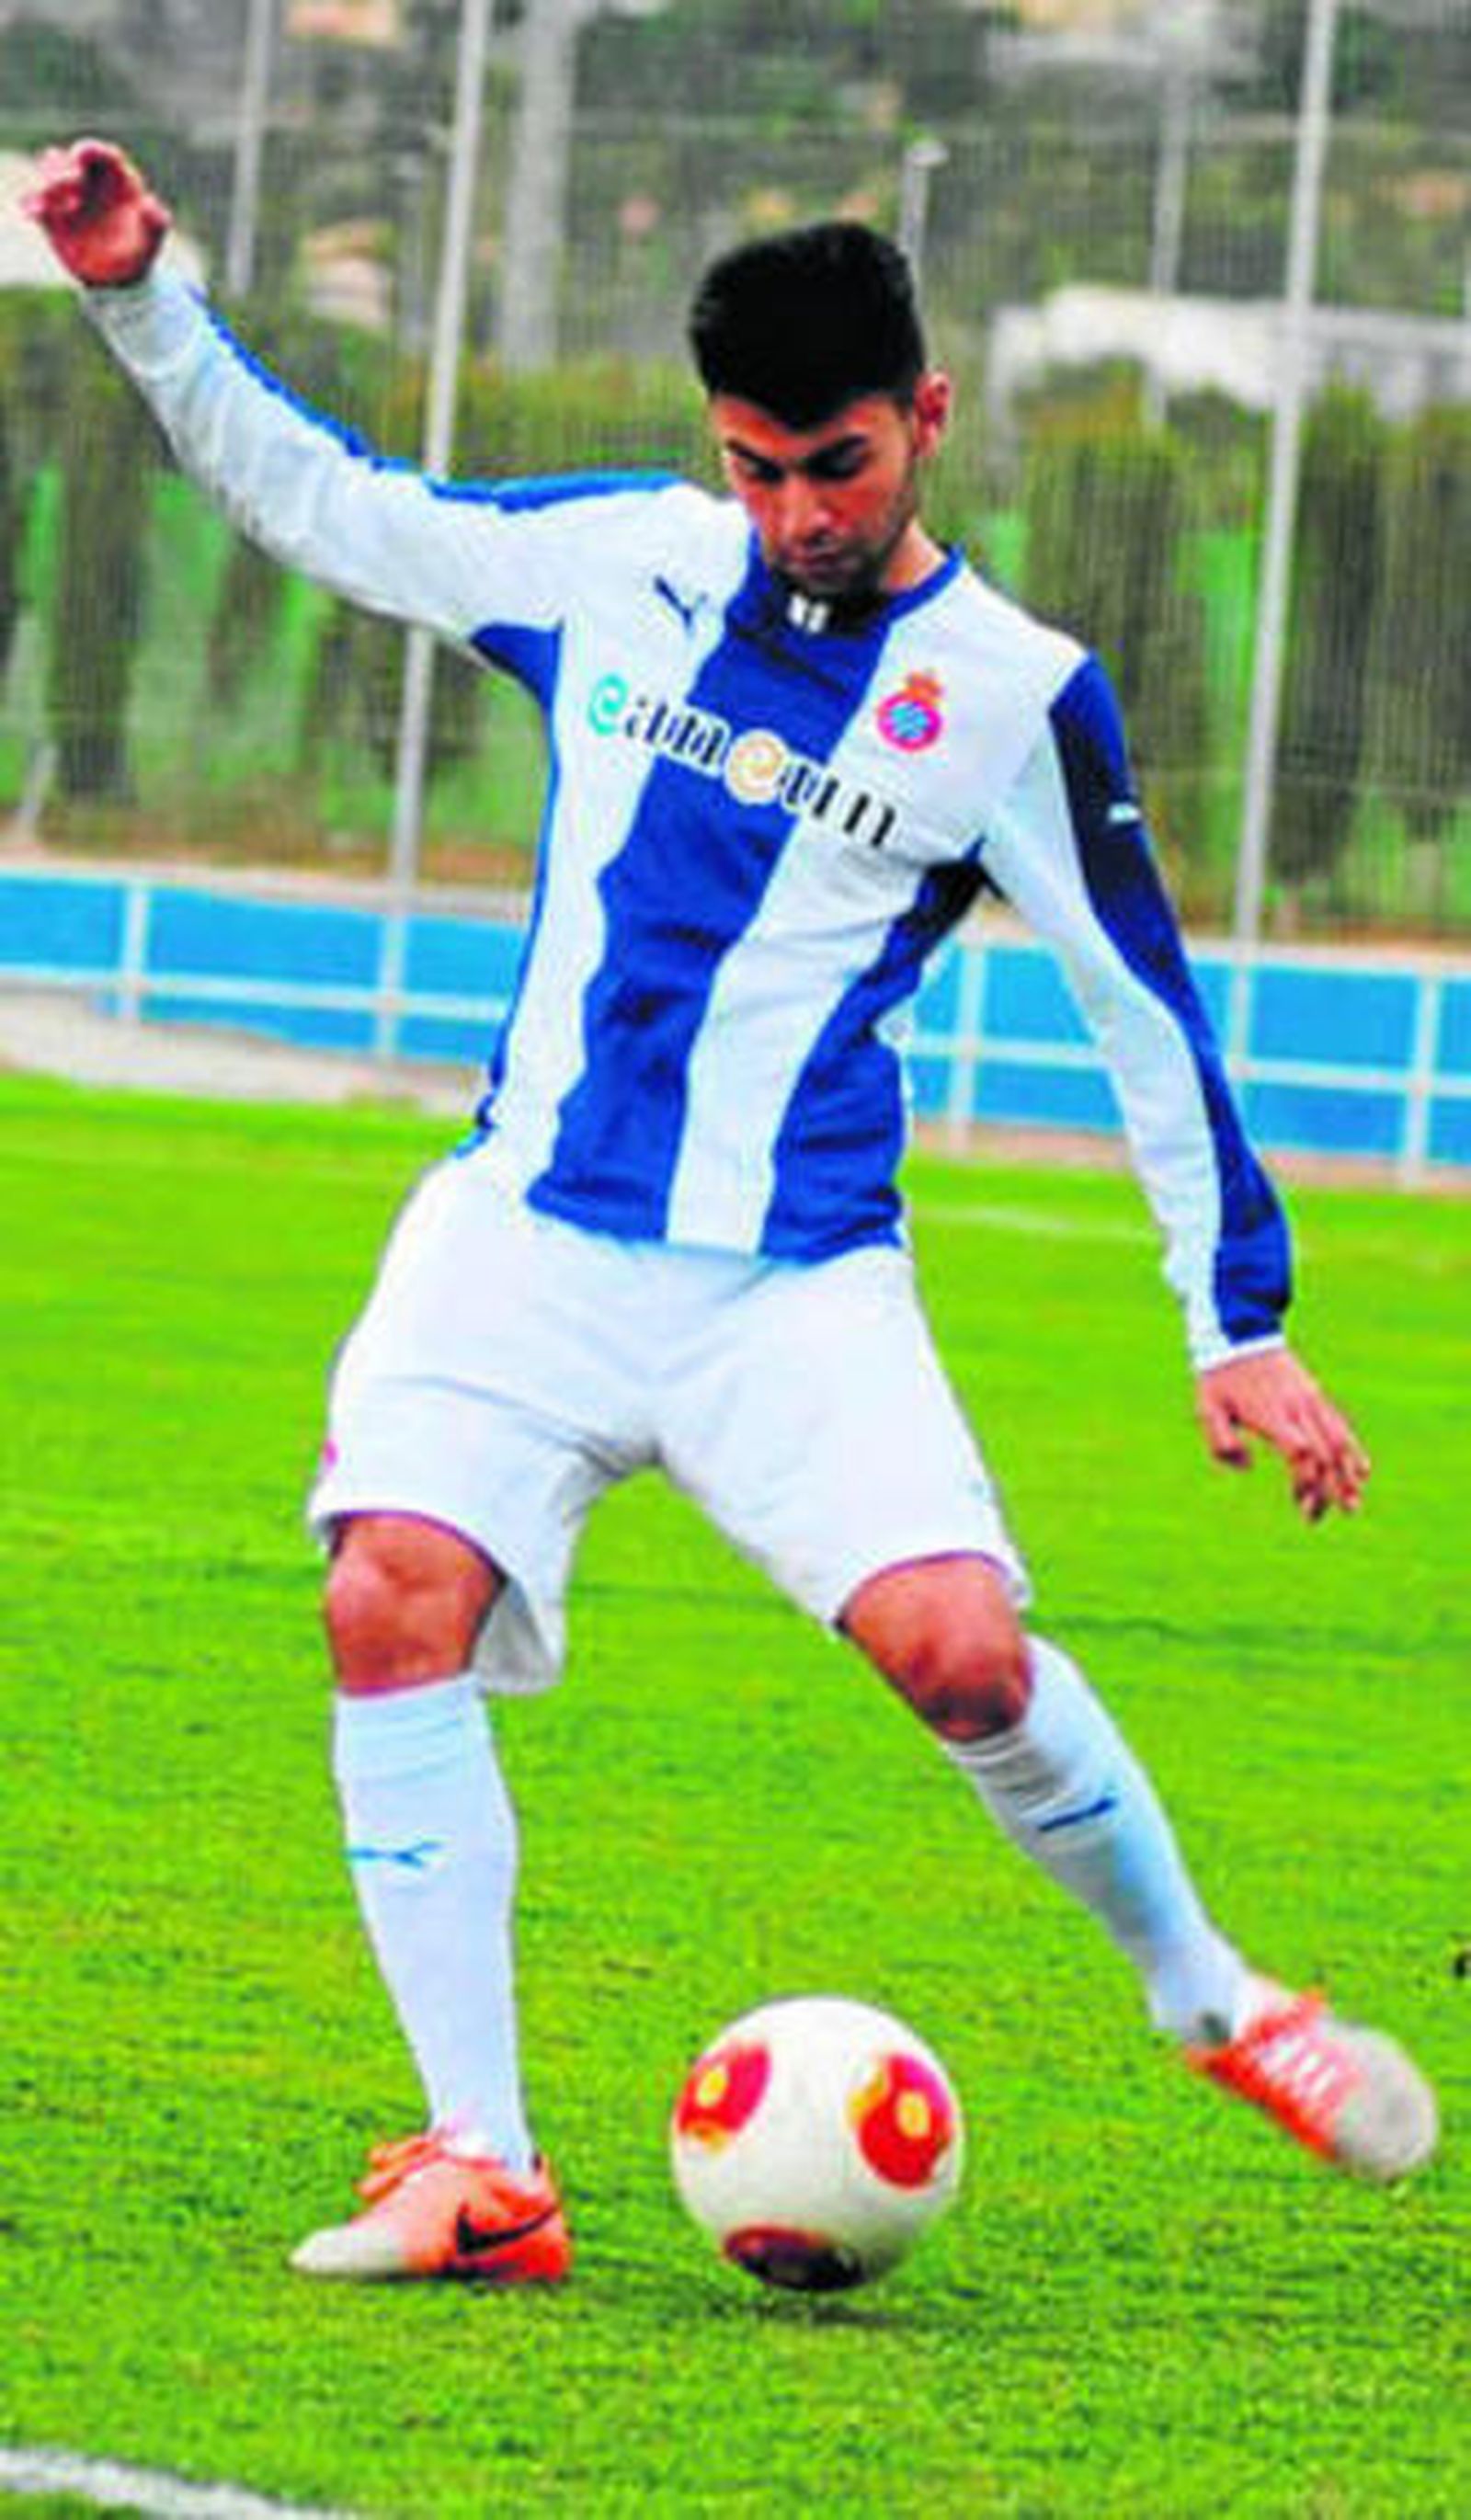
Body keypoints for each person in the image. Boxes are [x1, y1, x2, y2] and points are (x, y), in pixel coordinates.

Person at [27, 137, 1437, 2285]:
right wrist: (140, 293)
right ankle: (480, 2164)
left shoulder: (1012, 694)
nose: (795, 513)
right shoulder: (617, 563)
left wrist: (1227, 1315)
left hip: (789, 1287)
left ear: (925, 420)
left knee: (961, 1653)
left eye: (837, 466)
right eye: (756, 468)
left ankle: (1210, 1996)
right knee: (385, 1593)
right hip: (521, 1234)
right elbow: (327, 503)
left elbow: (1137, 1002)